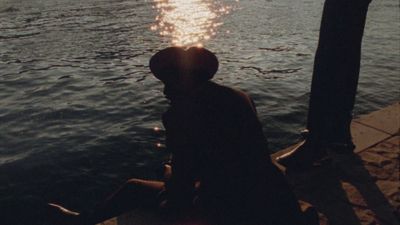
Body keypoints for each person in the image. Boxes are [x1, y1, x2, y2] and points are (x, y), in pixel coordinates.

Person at [49, 47, 318, 225]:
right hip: (274, 195)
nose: (165, 91)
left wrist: (171, 187)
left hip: (233, 208)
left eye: (168, 82)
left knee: (134, 187)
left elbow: (182, 188)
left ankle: (81, 221)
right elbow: (229, 155)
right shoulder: (239, 97)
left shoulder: (179, 116)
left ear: (183, 81)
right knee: (168, 170)